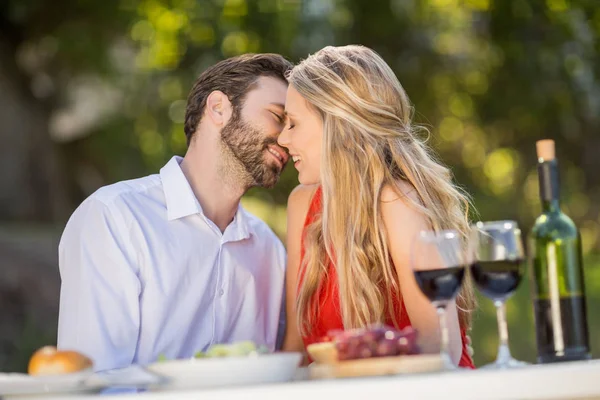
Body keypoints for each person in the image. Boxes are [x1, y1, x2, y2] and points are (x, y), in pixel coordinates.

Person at [57, 53, 293, 372]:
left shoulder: (270, 250)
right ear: (218, 108)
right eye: (278, 116)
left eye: (293, 125)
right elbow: (93, 382)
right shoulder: (115, 218)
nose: (288, 138)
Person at [278, 45, 476, 368]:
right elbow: (296, 348)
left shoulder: (397, 203)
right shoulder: (302, 204)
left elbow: (441, 349)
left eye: (293, 124)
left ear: (336, 124)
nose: (283, 140)